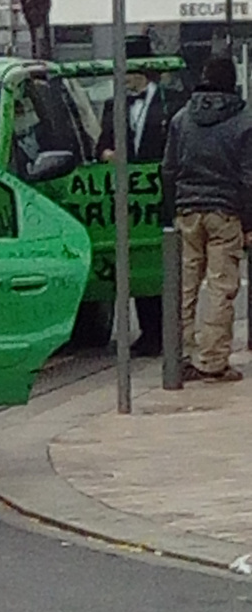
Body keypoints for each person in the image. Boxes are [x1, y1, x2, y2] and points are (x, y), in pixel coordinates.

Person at [161, 54, 252, 383]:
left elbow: (168, 169)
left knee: (185, 286)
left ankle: (180, 355)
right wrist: (249, 222)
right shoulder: (244, 121)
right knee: (220, 285)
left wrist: (174, 207)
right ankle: (212, 361)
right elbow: (248, 178)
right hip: (224, 212)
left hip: (187, 211)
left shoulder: (181, 118)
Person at [97, 65, 174, 357]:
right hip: (127, 196)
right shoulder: (114, 105)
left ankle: (164, 331)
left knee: (160, 259)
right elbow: (101, 144)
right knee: (136, 258)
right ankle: (147, 331)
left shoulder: (170, 101)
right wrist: (107, 154)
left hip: (158, 195)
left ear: (141, 71)